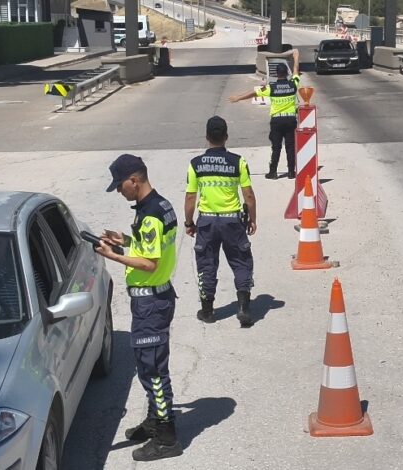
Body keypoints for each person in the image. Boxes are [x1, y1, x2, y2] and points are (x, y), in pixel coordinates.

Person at [95, 154, 182, 462]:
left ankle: (167, 437)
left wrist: (113, 255)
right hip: (155, 299)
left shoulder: (151, 215)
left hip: (151, 304)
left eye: (120, 186)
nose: (120, 192)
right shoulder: (160, 206)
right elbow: (149, 246)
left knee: (153, 370)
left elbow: (149, 262)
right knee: (149, 366)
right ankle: (155, 419)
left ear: (134, 180)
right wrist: (125, 240)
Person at [184, 116, 257, 327]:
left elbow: (190, 197)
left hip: (207, 222)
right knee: (241, 261)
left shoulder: (195, 164)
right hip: (232, 221)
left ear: (206, 137)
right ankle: (243, 307)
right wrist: (252, 219)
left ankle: (207, 311)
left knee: (206, 264)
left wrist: (189, 223)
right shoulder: (238, 162)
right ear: (226, 136)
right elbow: (249, 195)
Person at [229, 49, 301, 180]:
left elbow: (254, 93)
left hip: (277, 121)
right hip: (291, 120)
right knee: (290, 147)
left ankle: (273, 173)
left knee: (276, 147)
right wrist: (296, 57)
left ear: (276, 74)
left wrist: (238, 98)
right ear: (287, 73)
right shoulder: (293, 84)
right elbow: (296, 70)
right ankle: (291, 172)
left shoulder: (271, 88)